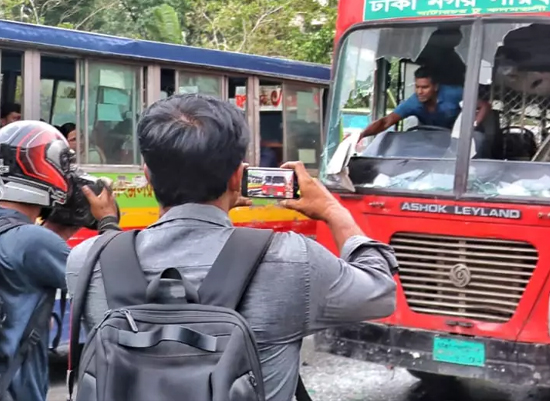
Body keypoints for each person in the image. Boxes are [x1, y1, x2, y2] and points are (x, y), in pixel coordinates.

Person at [66, 94, 399, 401]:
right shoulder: (292, 260)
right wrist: (333, 211)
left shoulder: (86, 261)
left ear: (147, 175)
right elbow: (380, 291)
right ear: (239, 178)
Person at [0, 120, 119, 401]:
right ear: (41, 168)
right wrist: (108, 223)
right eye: (63, 167)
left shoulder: (26, 239)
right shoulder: (33, 242)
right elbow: (111, 289)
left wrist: (62, 229)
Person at [359, 67, 489, 139]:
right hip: (431, 139)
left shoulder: (454, 93)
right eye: (417, 87)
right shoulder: (413, 102)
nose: (419, 91)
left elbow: (484, 106)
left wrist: (472, 127)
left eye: (425, 87)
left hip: (459, 140)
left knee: (478, 139)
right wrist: (362, 135)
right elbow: (386, 122)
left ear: (436, 87)